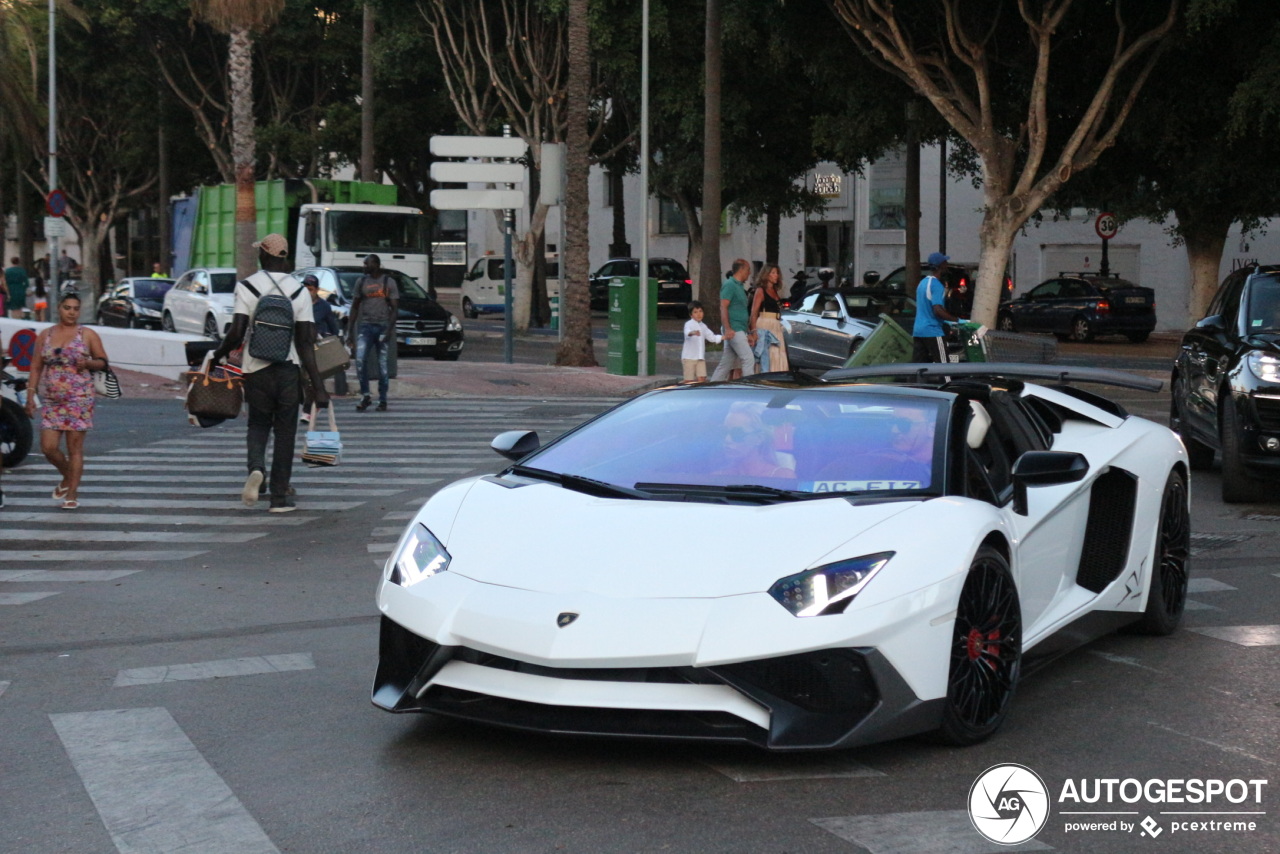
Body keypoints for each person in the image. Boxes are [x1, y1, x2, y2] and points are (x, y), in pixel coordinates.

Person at [209, 233, 329, 513]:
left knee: (259, 425)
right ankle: (278, 498)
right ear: (284, 258)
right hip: (288, 372)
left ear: (264, 255)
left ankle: (256, 468)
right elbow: (306, 342)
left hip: (256, 370)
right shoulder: (300, 292)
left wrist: (218, 353)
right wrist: (318, 386)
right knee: (286, 433)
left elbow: (237, 331)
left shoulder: (247, 287)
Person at [24, 292, 109, 510]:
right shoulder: (46, 335)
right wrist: (30, 394)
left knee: (75, 449)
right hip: (53, 399)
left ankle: (72, 493)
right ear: (59, 308)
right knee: (48, 448)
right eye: (67, 307)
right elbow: (35, 366)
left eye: (75, 308)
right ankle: (67, 476)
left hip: (79, 398)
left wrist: (88, 363)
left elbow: (103, 362)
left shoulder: (87, 334)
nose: (71, 312)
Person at [345, 253, 399, 412]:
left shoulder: (388, 282)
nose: (364, 267)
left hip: (382, 326)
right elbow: (355, 307)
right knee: (360, 361)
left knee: (383, 366)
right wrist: (350, 330)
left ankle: (382, 399)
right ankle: (366, 395)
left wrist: (389, 330)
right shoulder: (361, 281)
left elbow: (395, 309)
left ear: (376, 264)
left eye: (366, 264)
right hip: (366, 327)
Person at [715, 402, 795, 480]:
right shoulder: (717, 477)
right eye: (724, 431)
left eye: (737, 433)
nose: (727, 439)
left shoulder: (782, 477)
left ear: (759, 438)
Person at [301, 274, 341, 422]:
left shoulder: (324, 306)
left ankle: (307, 410)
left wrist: (331, 339)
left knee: (312, 378)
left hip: (317, 348)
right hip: (300, 346)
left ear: (316, 289)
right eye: (304, 288)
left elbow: (333, 328)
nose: (307, 292)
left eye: (310, 289)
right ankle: (317, 400)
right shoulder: (298, 304)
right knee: (304, 380)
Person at [708, 259, 756, 382]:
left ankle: (712, 387)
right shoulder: (729, 285)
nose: (749, 273)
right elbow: (723, 306)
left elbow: (741, 311)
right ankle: (748, 389)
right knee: (748, 359)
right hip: (734, 329)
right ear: (741, 270)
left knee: (726, 363)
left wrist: (748, 332)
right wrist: (728, 328)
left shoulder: (739, 287)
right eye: (748, 270)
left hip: (739, 329)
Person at [912, 252, 960, 363]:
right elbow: (937, 310)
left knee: (918, 366)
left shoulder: (922, 283)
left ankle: (915, 381)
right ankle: (946, 381)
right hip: (933, 331)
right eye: (945, 262)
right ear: (941, 265)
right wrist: (956, 320)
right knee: (943, 365)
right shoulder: (937, 285)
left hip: (918, 331)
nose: (947, 264)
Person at [748, 264, 789, 373]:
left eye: (777, 273)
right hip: (765, 324)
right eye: (773, 273)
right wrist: (754, 331)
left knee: (777, 352)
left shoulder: (775, 291)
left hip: (776, 324)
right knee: (768, 353)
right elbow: (754, 312)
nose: (776, 275)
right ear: (766, 274)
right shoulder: (760, 291)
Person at [681, 301, 722, 383]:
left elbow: (712, 337)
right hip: (689, 357)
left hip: (700, 357)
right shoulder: (688, 324)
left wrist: (724, 337)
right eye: (695, 312)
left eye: (700, 311)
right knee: (689, 381)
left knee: (702, 379)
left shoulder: (703, 326)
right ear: (691, 315)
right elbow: (687, 332)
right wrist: (693, 333)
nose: (699, 314)